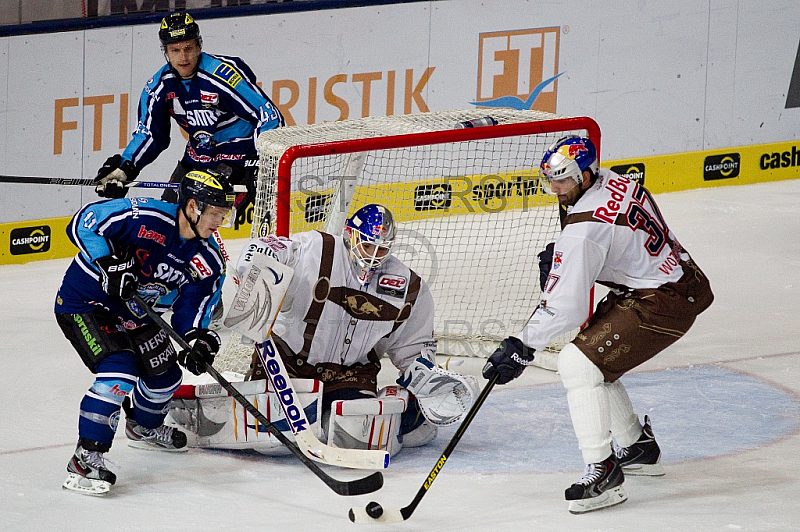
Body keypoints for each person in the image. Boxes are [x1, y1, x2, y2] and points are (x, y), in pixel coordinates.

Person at [481, 136, 714, 513]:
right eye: (551, 180)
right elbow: (619, 241)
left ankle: (604, 473)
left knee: (577, 363)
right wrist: (568, 259)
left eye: (564, 181)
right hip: (674, 280)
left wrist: (521, 347)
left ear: (587, 175)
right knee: (593, 362)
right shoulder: (616, 180)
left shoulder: (584, 231)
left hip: (662, 301)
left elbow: (566, 308)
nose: (556, 190)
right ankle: (636, 447)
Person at [170, 204, 478, 456]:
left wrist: (425, 379)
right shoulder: (317, 249)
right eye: (367, 244)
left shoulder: (407, 286)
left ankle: (408, 414)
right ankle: (190, 406)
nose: (373, 255)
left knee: (359, 438)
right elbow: (264, 247)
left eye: (381, 248)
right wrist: (254, 276)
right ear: (350, 235)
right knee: (277, 442)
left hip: (350, 374)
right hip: (287, 363)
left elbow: (413, 346)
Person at [56, 169, 236, 495]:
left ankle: (143, 428)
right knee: (119, 372)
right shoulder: (146, 216)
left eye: (223, 215)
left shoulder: (207, 260)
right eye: (215, 214)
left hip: (138, 315)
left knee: (165, 377)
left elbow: (192, 309)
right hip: (87, 304)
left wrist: (195, 339)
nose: (219, 223)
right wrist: (107, 262)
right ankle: (86, 458)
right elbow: (84, 221)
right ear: (193, 207)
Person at [93, 11, 284, 227]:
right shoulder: (159, 86)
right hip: (197, 158)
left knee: (205, 225)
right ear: (165, 52)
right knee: (169, 222)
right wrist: (126, 167)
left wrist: (262, 162)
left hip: (237, 159)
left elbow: (269, 115)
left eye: (188, 48)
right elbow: (151, 135)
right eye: (175, 50)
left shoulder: (222, 76)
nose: (183, 57)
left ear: (199, 45)